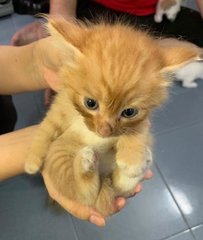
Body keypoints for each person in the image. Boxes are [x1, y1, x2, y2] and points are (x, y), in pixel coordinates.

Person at [0, 39, 153, 227]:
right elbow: (51, 125)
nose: (104, 129)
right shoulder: (74, 94)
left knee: (128, 160)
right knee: (69, 164)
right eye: (91, 103)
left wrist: (38, 57)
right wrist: (31, 150)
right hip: (72, 150)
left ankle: (116, 181)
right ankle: (88, 183)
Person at [11, 0, 203, 47]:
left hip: (152, 15)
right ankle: (45, 28)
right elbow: (64, 10)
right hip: (94, 10)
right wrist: (55, 57)